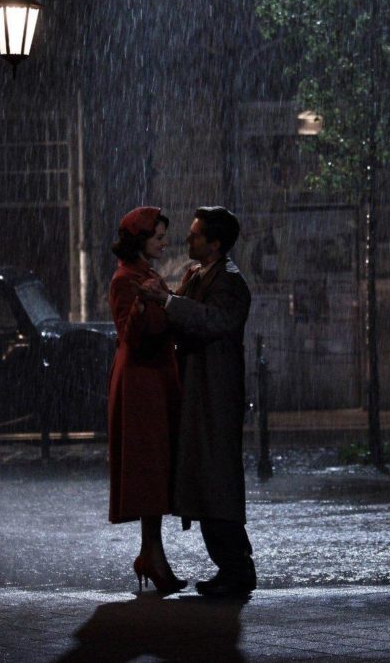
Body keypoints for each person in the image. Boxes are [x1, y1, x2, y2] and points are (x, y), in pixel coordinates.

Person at [139, 206, 256, 599]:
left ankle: (237, 568)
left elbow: (212, 320)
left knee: (216, 480)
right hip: (200, 393)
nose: (188, 238)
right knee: (206, 481)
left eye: (196, 234)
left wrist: (169, 301)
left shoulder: (230, 282)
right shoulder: (201, 274)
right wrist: (170, 297)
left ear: (215, 243)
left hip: (215, 395)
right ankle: (231, 567)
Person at [107, 206, 185, 593]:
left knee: (155, 471)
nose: (165, 242)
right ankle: (153, 557)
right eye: (159, 236)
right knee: (149, 470)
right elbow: (130, 335)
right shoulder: (127, 279)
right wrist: (142, 307)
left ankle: (151, 554)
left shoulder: (147, 274)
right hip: (141, 385)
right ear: (140, 240)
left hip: (154, 379)